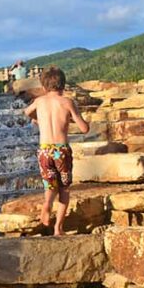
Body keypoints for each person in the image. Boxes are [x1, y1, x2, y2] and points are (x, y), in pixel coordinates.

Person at [22, 66, 90, 236]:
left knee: (50, 184)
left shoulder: (39, 101)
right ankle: (58, 227)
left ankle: (47, 205)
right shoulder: (67, 102)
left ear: (44, 87)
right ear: (63, 85)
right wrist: (77, 120)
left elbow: (26, 112)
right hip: (61, 151)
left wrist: (37, 120)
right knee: (64, 189)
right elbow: (84, 129)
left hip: (44, 151)